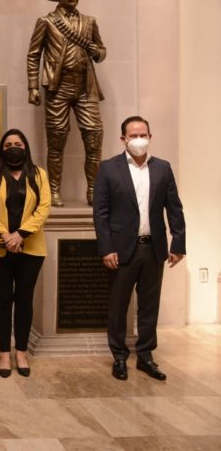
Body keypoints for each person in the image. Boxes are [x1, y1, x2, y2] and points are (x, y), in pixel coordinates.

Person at [93, 116, 186, 381]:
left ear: (150, 137)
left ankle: (145, 355)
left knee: (149, 305)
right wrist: (106, 248)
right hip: (122, 250)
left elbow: (174, 208)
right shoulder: (108, 168)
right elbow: (100, 213)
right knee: (118, 305)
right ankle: (119, 357)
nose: (138, 139)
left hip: (153, 248)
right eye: (133, 135)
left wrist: (178, 244)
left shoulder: (162, 168)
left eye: (143, 134)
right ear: (123, 139)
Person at [27, 0, 106, 207]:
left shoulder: (90, 22)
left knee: (94, 138)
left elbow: (101, 52)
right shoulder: (47, 21)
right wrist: (33, 86)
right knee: (56, 141)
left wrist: (96, 51)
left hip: (85, 88)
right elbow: (33, 55)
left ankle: (93, 190)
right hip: (58, 88)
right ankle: (54, 191)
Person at [0, 129, 51, 378]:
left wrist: (20, 234)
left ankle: (21, 351)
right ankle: (4, 353)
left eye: (18, 144)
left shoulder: (39, 174)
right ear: (2, 149)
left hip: (31, 247)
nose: (13, 147)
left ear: (25, 147)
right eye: (8, 144)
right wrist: (5, 236)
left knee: (24, 299)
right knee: (2, 300)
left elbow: (43, 208)